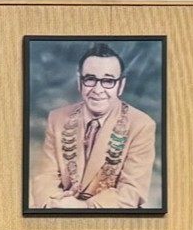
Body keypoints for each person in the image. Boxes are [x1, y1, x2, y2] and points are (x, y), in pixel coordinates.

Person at [27, 42, 158, 210]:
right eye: (90, 79)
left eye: (108, 81)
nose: (97, 89)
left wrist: (82, 208)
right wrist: (58, 204)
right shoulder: (57, 118)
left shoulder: (141, 125)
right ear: (79, 82)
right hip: (60, 211)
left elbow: (131, 191)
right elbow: (44, 177)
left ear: (121, 85)